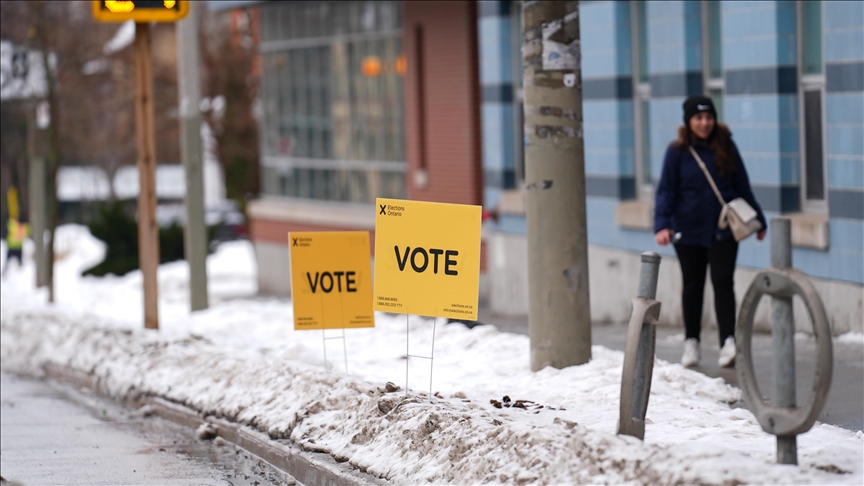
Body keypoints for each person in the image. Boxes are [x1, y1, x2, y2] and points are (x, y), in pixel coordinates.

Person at [653, 95, 767, 368]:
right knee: (692, 287)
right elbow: (666, 191)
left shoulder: (726, 146)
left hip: (722, 230)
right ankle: (692, 342)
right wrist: (662, 224)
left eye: (709, 117)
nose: (704, 123)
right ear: (688, 121)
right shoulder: (677, 152)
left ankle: (728, 341)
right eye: (698, 118)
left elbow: (742, 185)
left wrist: (759, 220)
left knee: (723, 283)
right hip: (688, 231)